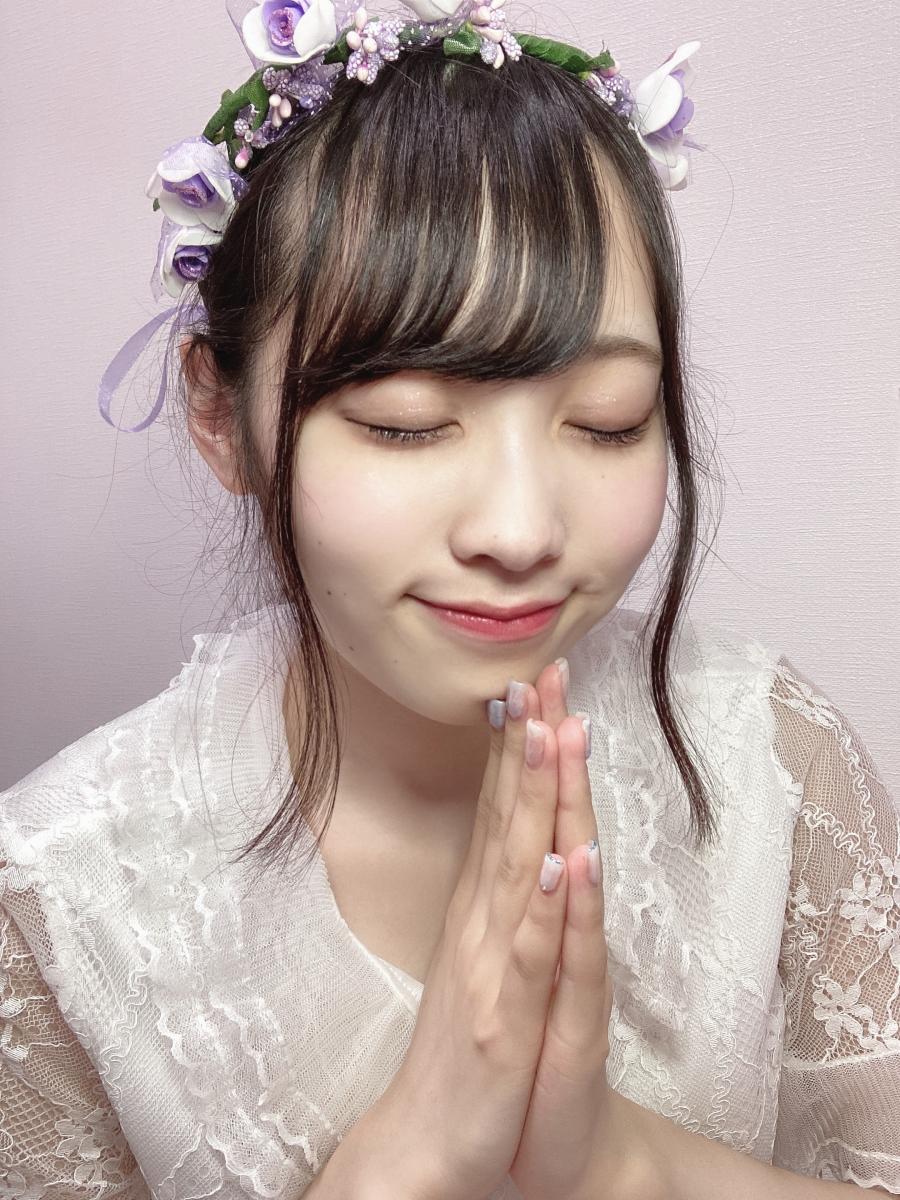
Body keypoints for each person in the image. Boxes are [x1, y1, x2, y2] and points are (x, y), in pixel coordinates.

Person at [1, 1, 898, 1197]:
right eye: (406, 424)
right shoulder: (57, 917)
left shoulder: (772, 765)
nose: (521, 531)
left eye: (609, 422)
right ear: (220, 413)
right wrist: (396, 1168)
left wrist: (616, 1160)